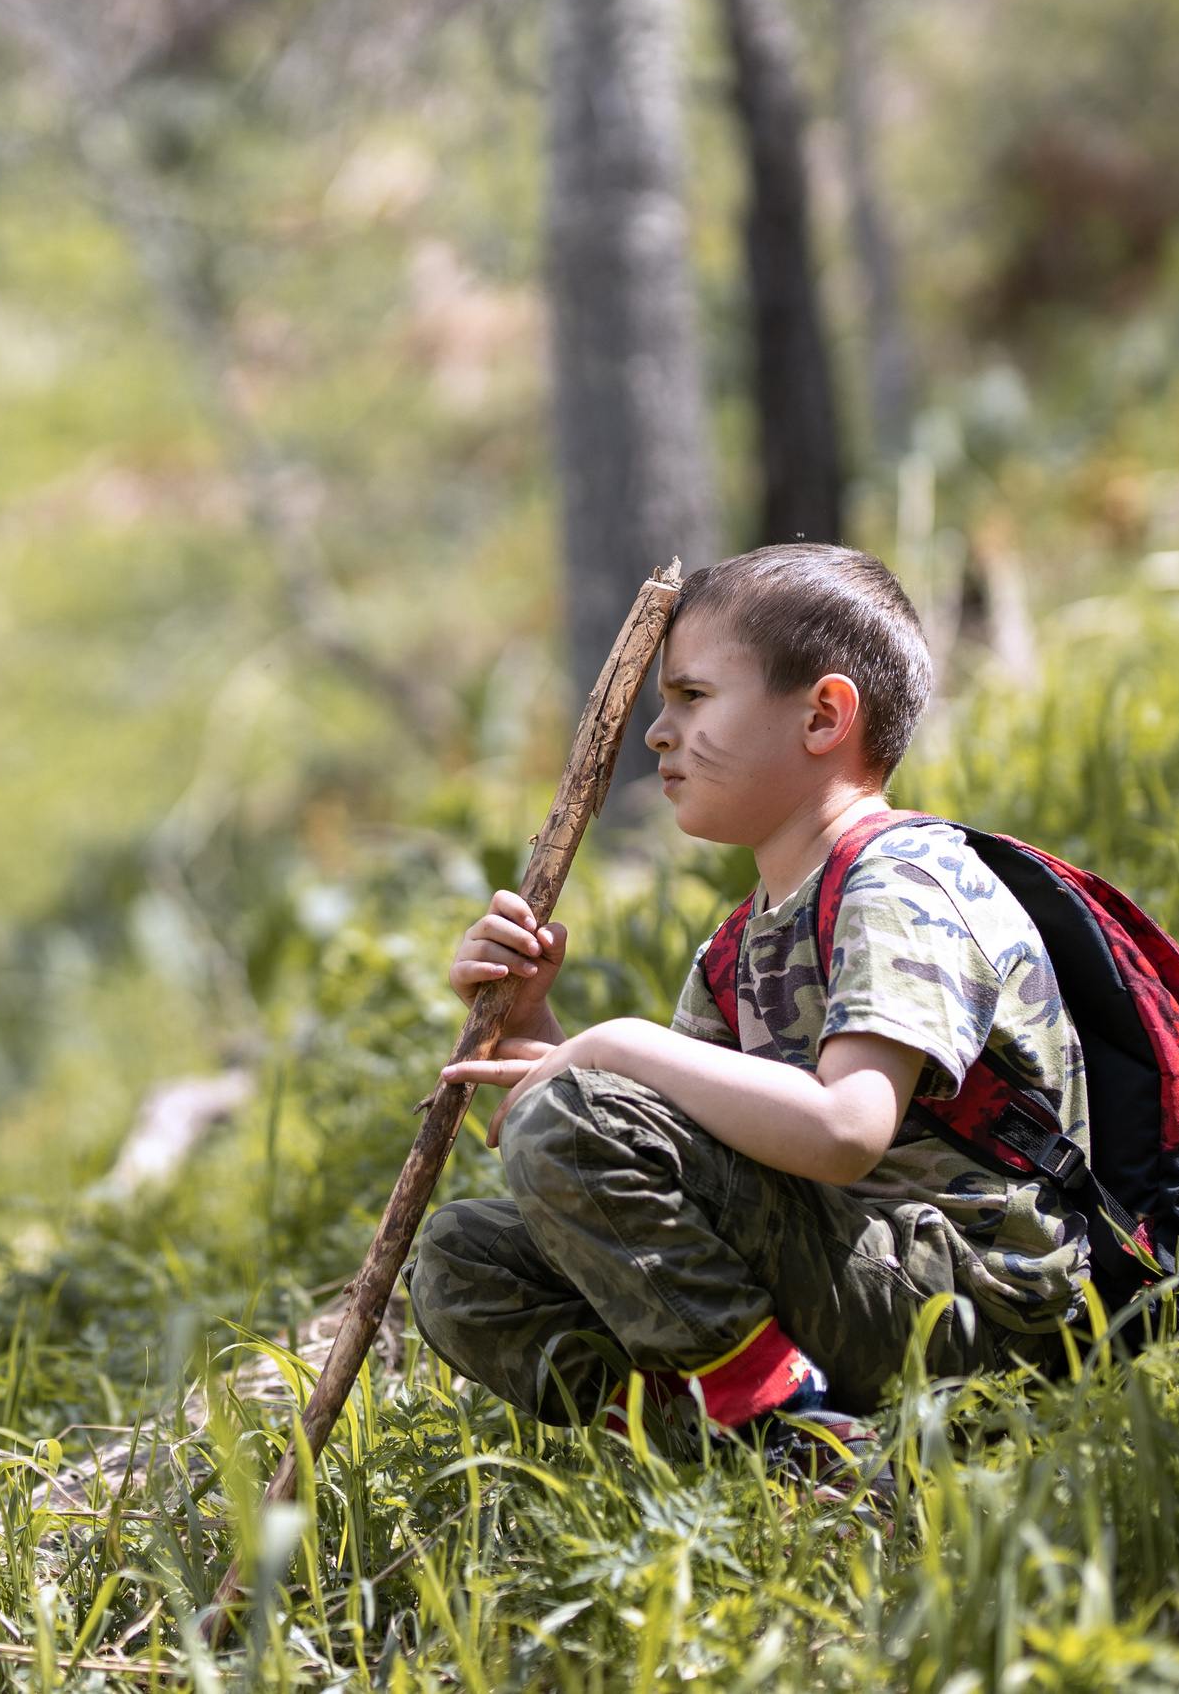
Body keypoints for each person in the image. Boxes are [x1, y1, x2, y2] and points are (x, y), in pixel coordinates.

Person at [405, 544, 1089, 1476]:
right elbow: (657, 1163)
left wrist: (617, 1046)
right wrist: (533, 1023)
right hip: (849, 1269)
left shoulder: (901, 882)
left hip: (974, 1303)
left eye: (692, 697)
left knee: (574, 1117)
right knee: (458, 1260)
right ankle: (743, 1433)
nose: (657, 732)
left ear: (822, 715)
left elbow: (848, 1130)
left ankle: (780, 1429)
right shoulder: (742, 943)